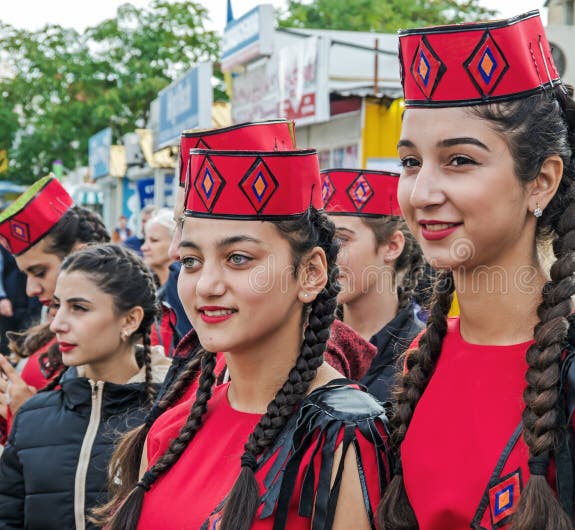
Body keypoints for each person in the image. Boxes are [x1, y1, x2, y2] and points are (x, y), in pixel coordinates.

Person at [378, 11, 575, 530]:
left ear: (541, 182)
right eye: (411, 162)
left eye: (459, 160)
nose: (422, 193)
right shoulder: (424, 356)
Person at [97, 144, 389, 529]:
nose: (207, 285)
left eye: (238, 258)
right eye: (191, 261)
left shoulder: (342, 435)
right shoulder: (172, 429)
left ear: (311, 273)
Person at [0, 244, 170, 529]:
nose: (57, 324)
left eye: (78, 308)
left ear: (130, 320)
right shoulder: (31, 418)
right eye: (57, 306)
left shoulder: (173, 415)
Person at [0, 176, 110, 443]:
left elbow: (102, 446)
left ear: (80, 255)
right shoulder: (53, 326)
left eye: (39, 272)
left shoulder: (124, 333)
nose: (31, 290)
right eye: (26, 274)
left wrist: (26, 414)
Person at [323, 168, 425, 402]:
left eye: (341, 240)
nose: (325, 257)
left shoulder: (425, 351)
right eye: (321, 241)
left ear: (391, 246)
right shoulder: (309, 345)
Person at [141, 208, 189, 356]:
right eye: (145, 240)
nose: (144, 247)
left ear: (175, 244)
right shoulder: (152, 287)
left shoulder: (180, 282)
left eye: (153, 240)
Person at [0, 245, 41, 355]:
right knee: (7, 341)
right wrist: (2, 298)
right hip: (9, 301)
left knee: (30, 337)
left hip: (32, 302)